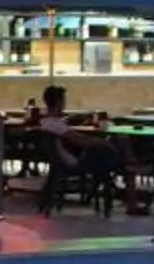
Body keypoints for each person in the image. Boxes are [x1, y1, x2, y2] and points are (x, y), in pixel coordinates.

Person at [32, 84, 122, 216]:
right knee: (109, 157)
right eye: (63, 101)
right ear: (59, 102)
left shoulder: (45, 123)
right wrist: (104, 142)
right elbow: (84, 142)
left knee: (106, 156)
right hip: (71, 162)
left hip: (58, 161)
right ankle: (123, 176)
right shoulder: (57, 125)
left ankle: (96, 193)